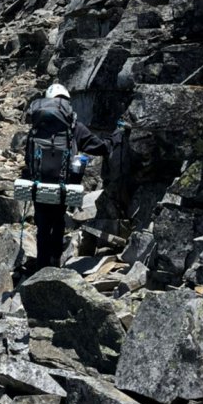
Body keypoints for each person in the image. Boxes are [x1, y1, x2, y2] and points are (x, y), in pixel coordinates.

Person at [23, 82, 123, 270]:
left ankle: (41, 267)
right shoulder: (74, 126)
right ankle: (55, 263)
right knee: (58, 219)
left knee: (42, 225)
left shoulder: (37, 126)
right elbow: (101, 148)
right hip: (63, 184)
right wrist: (118, 133)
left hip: (39, 182)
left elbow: (28, 157)